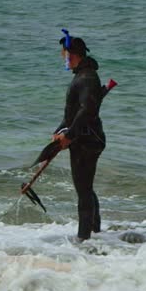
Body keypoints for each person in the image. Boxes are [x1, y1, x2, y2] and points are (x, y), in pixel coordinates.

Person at [51, 31, 106, 241]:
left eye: (63, 53)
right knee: (86, 188)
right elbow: (73, 113)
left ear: (71, 54)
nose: (62, 57)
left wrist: (70, 135)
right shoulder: (83, 75)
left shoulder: (87, 78)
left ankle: (84, 240)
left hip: (88, 140)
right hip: (84, 137)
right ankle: (96, 232)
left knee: (83, 190)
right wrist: (60, 131)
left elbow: (87, 111)